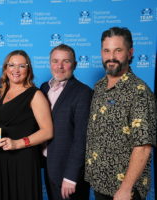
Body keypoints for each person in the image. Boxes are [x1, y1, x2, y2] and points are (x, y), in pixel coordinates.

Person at [85, 27, 156, 200]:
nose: (111, 57)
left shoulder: (139, 91)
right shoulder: (99, 87)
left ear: (130, 53)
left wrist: (126, 188)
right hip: (101, 183)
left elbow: (144, 146)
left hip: (125, 191)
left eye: (118, 50)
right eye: (107, 50)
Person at [0, 50, 53, 200]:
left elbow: (47, 131)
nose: (16, 70)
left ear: (28, 69)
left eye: (21, 66)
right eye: (12, 65)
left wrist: (17, 143)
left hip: (22, 161)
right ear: (5, 68)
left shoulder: (35, 95)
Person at [40, 44, 92, 200]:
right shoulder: (43, 88)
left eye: (66, 61)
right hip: (48, 166)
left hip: (68, 174)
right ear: (50, 63)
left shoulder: (83, 93)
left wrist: (71, 176)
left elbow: (82, 138)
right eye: (55, 61)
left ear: (74, 65)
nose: (60, 66)